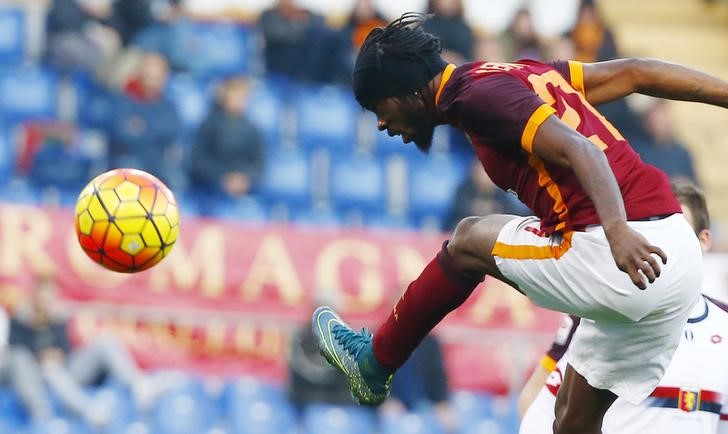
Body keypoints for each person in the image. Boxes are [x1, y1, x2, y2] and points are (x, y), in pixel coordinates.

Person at [311, 12, 728, 434]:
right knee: (570, 420)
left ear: (408, 91)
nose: (380, 123)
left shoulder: (476, 97)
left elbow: (583, 150)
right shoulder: (519, 72)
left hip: (620, 252)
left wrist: (618, 230)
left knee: (468, 240)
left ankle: (375, 362)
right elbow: (636, 73)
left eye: (378, 107)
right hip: (676, 258)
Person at [519, 181, 728, 433]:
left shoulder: (722, 326)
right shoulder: (602, 314)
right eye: (655, 231)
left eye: (679, 234)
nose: (665, 246)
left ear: (703, 241)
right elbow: (540, 403)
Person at [5, 276, 164, 427]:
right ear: (34, 296)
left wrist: (56, 352)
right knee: (49, 367)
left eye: (49, 297)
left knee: (106, 340)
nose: (45, 302)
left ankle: (138, 384)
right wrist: (40, 355)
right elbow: (17, 355)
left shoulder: (59, 318)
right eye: (42, 297)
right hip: (37, 377)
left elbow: (66, 348)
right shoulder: (19, 320)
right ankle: (87, 411)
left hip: (65, 369)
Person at [187, 77, 264, 213]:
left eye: (243, 96)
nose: (239, 99)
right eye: (235, 94)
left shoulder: (253, 130)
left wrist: (245, 180)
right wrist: (222, 179)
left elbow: (258, 164)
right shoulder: (208, 125)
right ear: (224, 96)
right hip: (210, 192)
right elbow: (197, 161)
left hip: (243, 195)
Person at [107, 51, 182, 189]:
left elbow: (172, 133)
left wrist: (144, 128)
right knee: (131, 168)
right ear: (140, 71)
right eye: (149, 69)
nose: (153, 75)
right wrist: (153, 131)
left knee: (177, 178)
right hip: (129, 160)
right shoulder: (124, 100)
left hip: (159, 161)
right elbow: (122, 135)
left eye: (158, 70)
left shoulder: (169, 106)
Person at [444, 158, 531, 231]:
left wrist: (495, 209)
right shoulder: (464, 188)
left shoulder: (501, 191)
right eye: (481, 170)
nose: (485, 175)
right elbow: (458, 206)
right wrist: (476, 208)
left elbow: (511, 211)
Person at [631, 99, 698, 183]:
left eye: (661, 114)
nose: (657, 119)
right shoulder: (637, 151)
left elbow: (696, 186)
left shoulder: (681, 153)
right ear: (645, 121)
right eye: (653, 115)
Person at [423, 0, 475, 65]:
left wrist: (456, 59)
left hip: (459, 67)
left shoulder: (464, 28)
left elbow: (469, 53)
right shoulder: (425, 26)